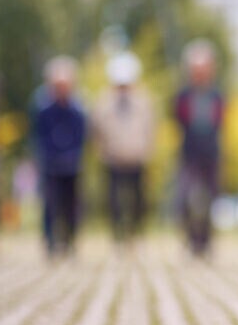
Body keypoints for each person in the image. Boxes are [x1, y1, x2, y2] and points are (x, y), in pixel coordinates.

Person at [92, 52, 156, 247]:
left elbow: (150, 128)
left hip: (137, 157)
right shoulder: (103, 101)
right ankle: (117, 235)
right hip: (113, 157)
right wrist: (102, 151)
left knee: (139, 201)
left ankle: (136, 234)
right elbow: (97, 129)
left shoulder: (144, 101)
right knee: (113, 201)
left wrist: (146, 150)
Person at [173, 41, 224, 259]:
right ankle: (191, 239)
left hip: (211, 154)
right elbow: (179, 121)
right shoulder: (183, 96)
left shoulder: (217, 96)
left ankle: (205, 242)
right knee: (185, 198)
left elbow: (219, 123)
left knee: (210, 201)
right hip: (189, 155)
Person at [33, 56, 87, 258]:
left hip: (72, 164)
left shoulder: (78, 109)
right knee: (50, 204)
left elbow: (81, 137)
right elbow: (39, 135)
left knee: (72, 205)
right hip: (50, 163)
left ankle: (71, 240)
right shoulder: (42, 107)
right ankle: (50, 242)